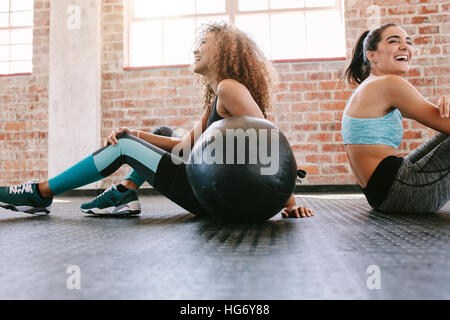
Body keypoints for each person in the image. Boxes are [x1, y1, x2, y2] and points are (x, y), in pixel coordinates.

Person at [0, 22, 313, 219]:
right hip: (208, 192)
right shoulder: (220, 95)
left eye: (204, 43)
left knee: (122, 145)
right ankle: (125, 190)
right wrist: (135, 133)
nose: (196, 48)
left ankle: (39, 193)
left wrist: (287, 201)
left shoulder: (230, 88)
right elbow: (184, 146)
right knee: (156, 133)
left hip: (208, 195)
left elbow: (268, 139)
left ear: (223, 51)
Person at [341, 23, 450, 213]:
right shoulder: (390, 84)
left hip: (381, 193)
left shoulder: (370, 85)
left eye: (408, 42)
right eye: (394, 41)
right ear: (371, 55)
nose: (404, 46)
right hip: (402, 190)